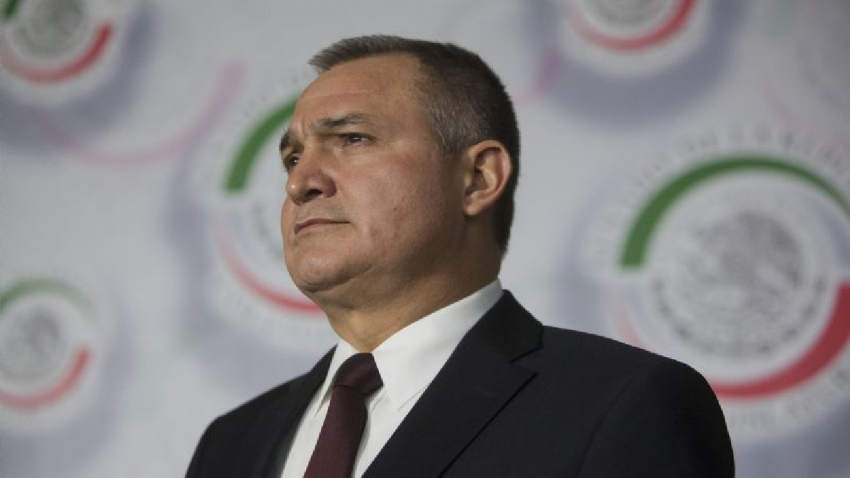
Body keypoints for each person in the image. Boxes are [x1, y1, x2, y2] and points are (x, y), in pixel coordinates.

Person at [187, 35, 734, 478]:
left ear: (478, 178)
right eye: (292, 158)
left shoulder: (623, 405)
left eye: (352, 139)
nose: (300, 182)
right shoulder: (231, 443)